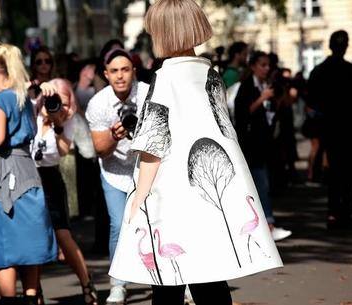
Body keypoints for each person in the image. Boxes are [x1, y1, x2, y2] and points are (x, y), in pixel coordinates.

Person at [108, 1, 283, 305]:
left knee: (167, 282)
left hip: (171, 190)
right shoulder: (210, 74)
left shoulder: (164, 79)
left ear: (163, 32)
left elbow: (153, 144)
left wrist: (138, 199)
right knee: (210, 278)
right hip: (210, 186)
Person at [0, 42, 57, 305]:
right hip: (28, 171)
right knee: (30, 241)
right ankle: (32, 296)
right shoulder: (22, 96)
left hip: (6, 176)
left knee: (3, 246)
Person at [85, 47, 149, 304]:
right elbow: (100, 150)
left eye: (125, 70)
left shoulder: (148, 94)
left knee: (153, 224)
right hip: (114, 172)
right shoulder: (98, 103)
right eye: (114, 71)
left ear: (134, 71)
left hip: (146, 167)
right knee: (118, 225)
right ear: (106, 74)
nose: (120, 76)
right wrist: (115, 135)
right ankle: (118, 284)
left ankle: (166, 280)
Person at [30, 78, 98, 305]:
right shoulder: (34, 108)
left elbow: (60, 152)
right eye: (57, 101)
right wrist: (37, 86)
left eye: (66, 103)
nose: (62, 106)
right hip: (28, 176)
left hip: (50, 177)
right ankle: (34, 291)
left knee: (63, 234)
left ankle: (87, 283)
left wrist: (57, 122)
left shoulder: (67, 121)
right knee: (34, 237)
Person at [307, 30, 352, 229]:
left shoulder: (320, 70)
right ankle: (346, 210)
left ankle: (334, 211)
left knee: (335, 170)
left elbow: (311, 99)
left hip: (331, 125)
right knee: (350, 171)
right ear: (346, 46)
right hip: (348, 124)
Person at [234, 51, 292, 241]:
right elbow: (242, 114)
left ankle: (260, 225)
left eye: (268, 66)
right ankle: (268, 224)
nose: (266, 69)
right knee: (261, 184)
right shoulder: (247, 87)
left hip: (265, 145)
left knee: (259, 185)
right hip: (251, 146)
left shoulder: (267, 85)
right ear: (253, 67)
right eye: (263, 65)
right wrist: (262, 99)